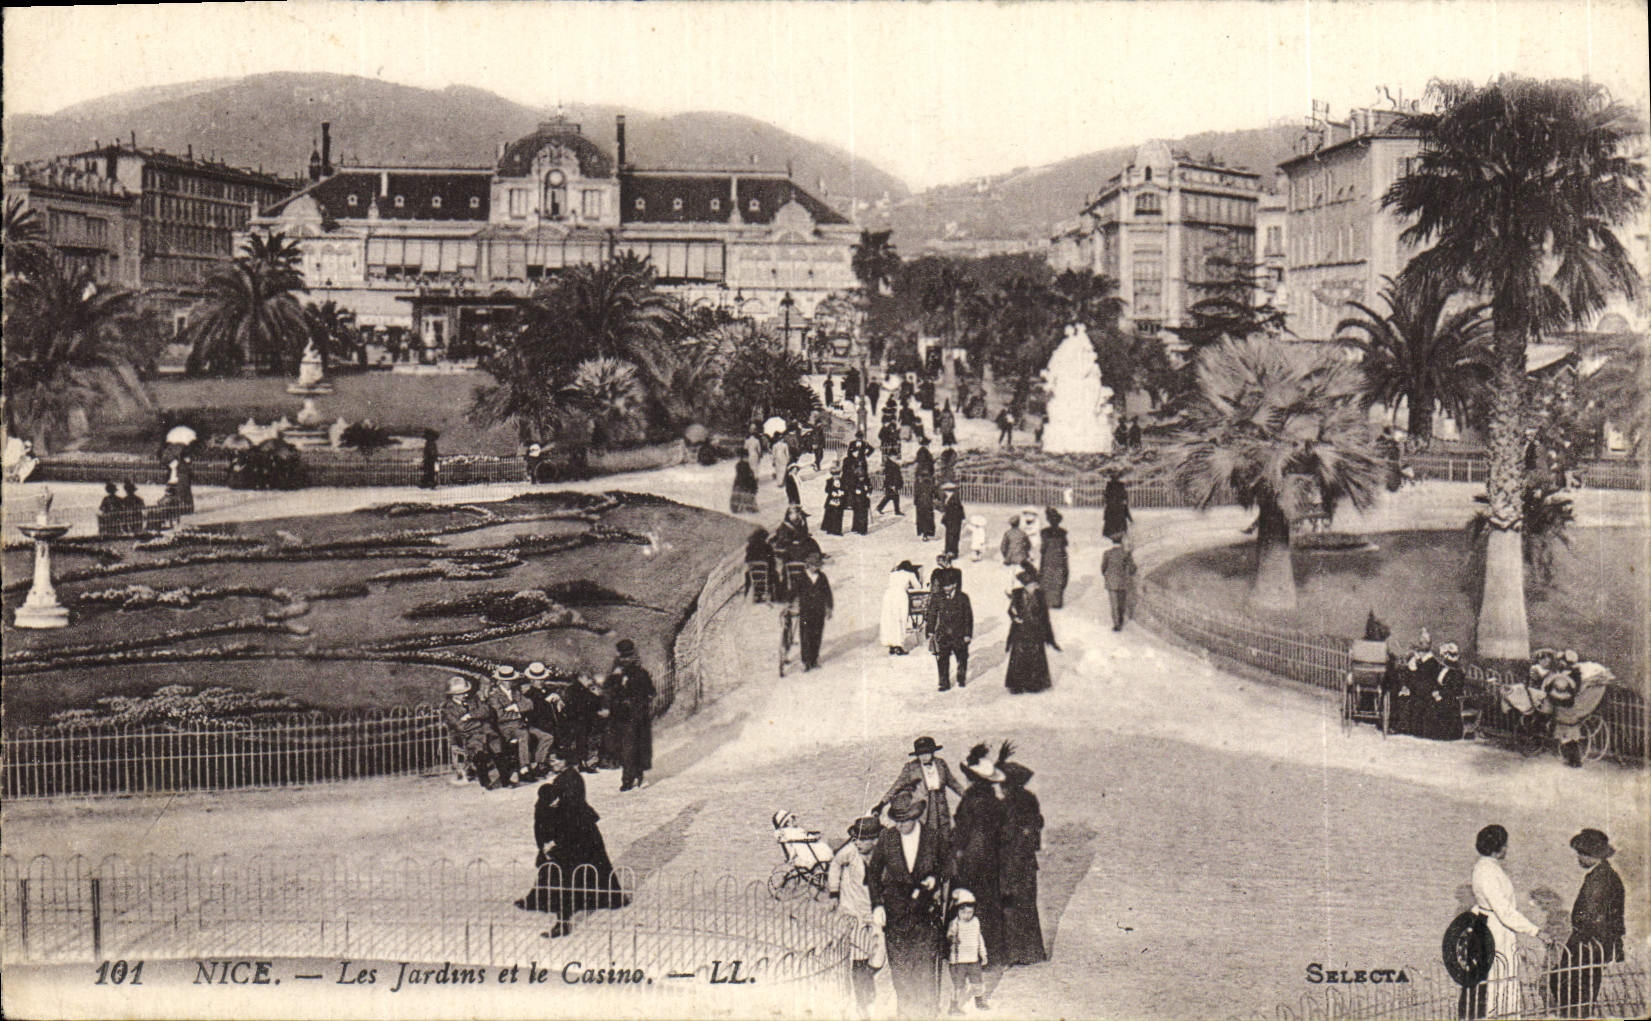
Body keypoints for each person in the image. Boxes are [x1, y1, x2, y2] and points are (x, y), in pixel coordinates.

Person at [514, 751, 627, 931]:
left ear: (566, 760)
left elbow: (571, 809)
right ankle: (541, 900)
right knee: (575, 868)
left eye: (557, 759)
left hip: (578, 832)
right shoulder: (565, 777)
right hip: (575, 830)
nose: (554, 763)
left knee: (567, 871)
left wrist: (556, 838)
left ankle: (563, 919)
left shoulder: (572, 779)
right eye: (551, 760)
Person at [867, 793, 951, 1020]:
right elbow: (873, 874)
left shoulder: (932, 838)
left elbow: (948, 865)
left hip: (925, 916)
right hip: (896, 916)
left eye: (905, 820)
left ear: (915, 816)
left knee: (924, 970)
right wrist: (877, 906)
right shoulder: (887, 838)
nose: (901, 825)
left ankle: (927, 1014)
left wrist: (935, 877)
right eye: (897, 820)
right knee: (901, 971)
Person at [1461, 824, 1545, 1020]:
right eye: (1505, 845)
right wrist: (1536, 931)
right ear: (1498, 847)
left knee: (1497, 977)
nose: (1507, 849)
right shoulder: (1487, 871)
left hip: (1490, 924)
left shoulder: (1486, 867)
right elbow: (1504, 911)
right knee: (1497, 978)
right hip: (1495, 930)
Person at [951, 743, 1009, 1004]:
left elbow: (962, 827)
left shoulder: (971, 799)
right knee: (989, 902)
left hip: (973, 855)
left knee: (969, 900)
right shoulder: (995, 800)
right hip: (992, 856)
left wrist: (956, 851)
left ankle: (968, 954)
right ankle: (993, 953)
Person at [1550, 828, 1625, 1016]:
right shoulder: (1606, 875)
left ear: (1591, 854)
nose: (1578, 858)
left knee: (1573, 991)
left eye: (1581, 853)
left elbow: (1590, 917)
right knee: (1580, 990)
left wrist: (1581, 941)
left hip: (1588, 944)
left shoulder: (1599, 880)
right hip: (1594, 943)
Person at [830, 815, 887, 1020]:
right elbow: (835, 864)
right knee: (859, 957)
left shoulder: (883, 854)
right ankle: (862, 1001)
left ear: (875, 840)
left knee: (879, 956)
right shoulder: (850, 853)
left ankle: (868, 979)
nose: (857, 842)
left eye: (863, 839)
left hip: (874, 911)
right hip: (854, 912)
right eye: (855, 839)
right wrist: (834, 893)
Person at [998, 756, 1047, 966]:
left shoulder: (1008, 803)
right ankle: (1032, 953)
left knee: (1009, 906)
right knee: (1026, 906)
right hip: (1026, 862)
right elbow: (1035, 835)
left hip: (1011, 861)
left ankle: (1012, 954)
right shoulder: (1030, 799)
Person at [487, 664, 552, 784]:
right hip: (506, 728)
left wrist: (516, 707)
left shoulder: (516, 692)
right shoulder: (494, 697)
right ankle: (524, 769)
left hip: (522, 724)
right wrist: (517, 713)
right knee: (523, 735)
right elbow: (500, 716)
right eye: (506, 681)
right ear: (499, 681)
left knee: (547, 737)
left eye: (511, 680)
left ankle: (539, 764)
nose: (509, 683)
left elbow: (530, 705)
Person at [607, 640, 656, 792]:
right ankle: (631, 777)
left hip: (635, 714)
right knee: (629, 747)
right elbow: (610, 693)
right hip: (626, 716)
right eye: (624, 657)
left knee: (634, 746)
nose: (625, 660)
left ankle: (633, 777)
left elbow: (650, 692)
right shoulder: (618, 675)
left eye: (628, 657)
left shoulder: (638, 673)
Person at [440, 676, 505, 789]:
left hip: (486, 733)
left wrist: (470, 715)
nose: (465, 695)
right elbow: (461, 727)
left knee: (498, 747)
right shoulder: (448, 709)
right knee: (478, 752)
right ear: (453, 695)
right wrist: (480, 721)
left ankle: (505, 779)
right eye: (461, 693)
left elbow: (487, 711)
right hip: (468, 737)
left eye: (465, 692)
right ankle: (485, 781)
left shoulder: (474, 699)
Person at [1006, 568, 1058, 694]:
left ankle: (1034, 684)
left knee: (1035, 657)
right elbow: (1010, 610)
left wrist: (1048, 635)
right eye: (1031, 585)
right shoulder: (1017, 594)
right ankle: (1017, 685)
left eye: (1035, 585)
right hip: (1021, 630)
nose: (1034, 587)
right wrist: (1015, 618)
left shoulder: (1040, 596)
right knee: (1019, 657)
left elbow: (1045, 616)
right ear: (1026, 586)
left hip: (1036, 630)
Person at [925, 568, 974, 692]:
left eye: (948, 586)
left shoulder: (963, 598)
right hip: (944, 633)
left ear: (954, 585)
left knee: (962, 657)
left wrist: (968, 634)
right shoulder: (937, 597)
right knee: (942, 659)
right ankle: (943, 682)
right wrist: (930, 630)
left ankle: (961, 677)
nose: (945, 588)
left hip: (959, 633)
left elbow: (968, 617)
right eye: (944, 586)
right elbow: (932, 614)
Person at [946, 889, 988, 1015]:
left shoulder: (976, 922)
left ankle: (979, 1000)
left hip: (973, 959)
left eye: (970, 912)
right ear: (957, 911)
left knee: (977, 982)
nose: (967, 915)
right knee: (958, 985)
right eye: (963, 912)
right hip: (959, 961)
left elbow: (979, 938)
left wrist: (983, 954)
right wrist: (953, 938)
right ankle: (953, 1006)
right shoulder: (955, 923)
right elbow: (949, 935)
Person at [560, 672, 608, 773]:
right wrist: (597, 697)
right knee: (583, 735)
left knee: (585, 734)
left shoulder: (578, 689)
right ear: (581, 677)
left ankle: (584, 762)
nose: (590, 681)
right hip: (574, 720)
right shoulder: (577, 689)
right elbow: (586, 705)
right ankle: (583, 762)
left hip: (577, 720)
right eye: (588, 679)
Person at [794, 552, 834, 671]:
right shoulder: (801, 577)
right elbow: (794, 592)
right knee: (806, 635)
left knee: (817, 634)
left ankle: (814, 659)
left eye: (819, 566)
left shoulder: (822, 577)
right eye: (815, 566)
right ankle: (806, 661)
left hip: (819, 610)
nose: (817, 568)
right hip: (806, 610)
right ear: (808, 565)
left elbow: (827, 593)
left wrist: (829, 608)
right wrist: (792, 602)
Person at [880, 560, 925, 656]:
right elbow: (918, 587)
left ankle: (891, 645)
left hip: (888, 595)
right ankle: (899, 646)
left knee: (889, 620)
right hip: (900, 596)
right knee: (900, 620)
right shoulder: (910, 574)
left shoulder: (893, 573)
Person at [1425, 642, 1467, 741]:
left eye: (1445, 655)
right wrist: (1435, 691)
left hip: (1451, 697)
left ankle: (1445, 734)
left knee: (1442, 706)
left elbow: (1455, 689)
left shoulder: (1458, 671)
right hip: (1441, 694)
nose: (1443, 658)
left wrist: (1440, 694)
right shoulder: (1443, 668)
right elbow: (1436, 681)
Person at [1101, 532, 1137, 632]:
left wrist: (1107, 576)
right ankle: (1120, 620)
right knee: (1121, 602)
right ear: (1121, 542)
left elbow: (1103, 568)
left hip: (1111, 581)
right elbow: (1132, 569)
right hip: (1122, 581)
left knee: (1114, 603)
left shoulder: (1107, 553)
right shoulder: (1126, 554)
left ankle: (1116, 624)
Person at [1039, 507, 1070, 609]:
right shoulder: (1063, 532)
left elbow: (1043, 548)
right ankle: (1057, 602)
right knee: (1058, 579)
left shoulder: (1044, 532)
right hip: (1060, 557)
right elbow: (1064, 546)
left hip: (1048, 557)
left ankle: (1047, 601)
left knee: (1047, 578)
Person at [912, 438, 937, 541]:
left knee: (922, 513)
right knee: (927, 512)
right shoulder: (925, 454)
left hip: (921, 491)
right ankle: (926, 533)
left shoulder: (920, 455)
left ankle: (924, 532)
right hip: (926, 491)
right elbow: (929, 468)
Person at [744, 528, 776, 602]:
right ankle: (772, 595)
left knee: (748, 574)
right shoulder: (767, 546)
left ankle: (749, 593)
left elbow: (747, 559)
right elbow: (771, 560)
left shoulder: (750, 546)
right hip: (764, 570)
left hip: (753, 570)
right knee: (773, 573)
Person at [1102, 472, 1132, 539]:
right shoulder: (1120, 485)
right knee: (1120, 524)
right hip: (1119, 507)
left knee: (1112, 524)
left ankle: (1114, 536)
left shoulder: (1108, 485)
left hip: (1111, 508)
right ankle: (1119, 537)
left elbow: (1106, 497)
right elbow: (1124, 496)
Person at [940, 484, 966, 559]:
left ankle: (953, 552)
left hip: (955, 520)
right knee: (949, 536)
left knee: (953, 536)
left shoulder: (954, 499)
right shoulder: (948, 498)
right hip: (950, 520)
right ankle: (948, 550)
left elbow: (958, 510)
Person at [822, 463, 846, 536]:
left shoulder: (842, 481)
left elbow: (845, 488)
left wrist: (842, 492)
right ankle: (830, 529)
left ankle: (838, 530)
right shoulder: (829, 481)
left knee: (839, 515)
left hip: (840, 500)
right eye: (834, 475)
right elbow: (826, 489)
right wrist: (832, 492)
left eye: (838, 474)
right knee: (830, 515)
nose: (836, 476)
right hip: (831, 500)